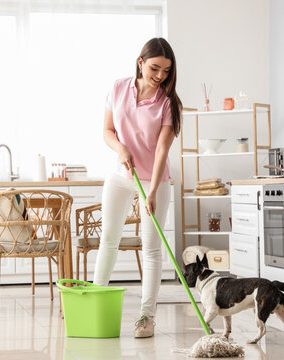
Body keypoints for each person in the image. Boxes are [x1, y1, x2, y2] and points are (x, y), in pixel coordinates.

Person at [93, 37, 182, 338]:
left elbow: (161, 151)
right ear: (140, 62)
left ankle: (147, 316)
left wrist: (154, 191)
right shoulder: (118, 88)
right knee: (109, 239)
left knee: (152, 249)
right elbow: (106, 131)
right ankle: (95, 300)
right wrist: (120, 149)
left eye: (166, 71)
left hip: (153, 179)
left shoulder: (167, 103)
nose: (160, 76)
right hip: (121, 174)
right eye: (155, 68)